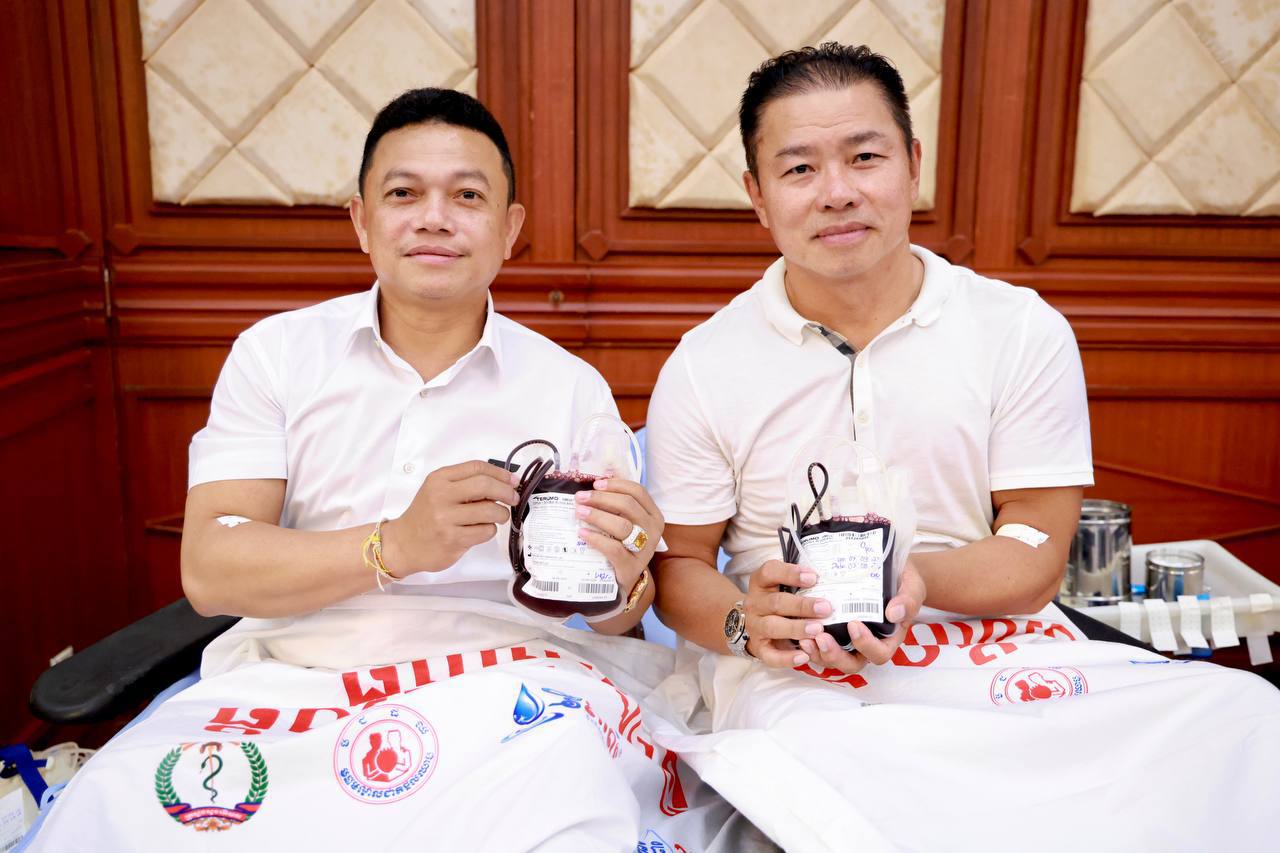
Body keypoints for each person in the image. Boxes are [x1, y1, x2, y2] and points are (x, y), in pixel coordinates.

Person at [25, 88, 735, 852]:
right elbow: (211, 567)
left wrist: (625, 582)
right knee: (121, 802)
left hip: (515, 689)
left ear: (509, 229)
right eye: (403, 194)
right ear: (361, 221)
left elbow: (615, 615)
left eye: (467, 196)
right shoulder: (277, 356)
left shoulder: (569, 388)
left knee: (558, 805)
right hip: (301, 680)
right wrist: (394, 544)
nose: (434, 217)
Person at [643, 43, 1280, 851]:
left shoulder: (1017, 330)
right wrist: (745, 620)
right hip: (799, 672)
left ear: (913, 165)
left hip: (994, 644)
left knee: (1247, 719)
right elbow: (679, 565)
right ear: (757, 197)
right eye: (799, 168)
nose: (837, 192)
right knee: (864, 776)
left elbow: (1037, 546)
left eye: (865, 157)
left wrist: (919, 580)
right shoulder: (706, 363)